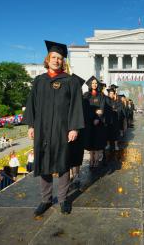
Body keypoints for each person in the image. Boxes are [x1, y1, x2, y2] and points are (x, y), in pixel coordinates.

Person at [23, 40, 84, 216]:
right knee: (44, 163)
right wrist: (31, 125)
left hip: (62, 129)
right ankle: (46, 199)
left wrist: (74, 128)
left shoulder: (70, 81)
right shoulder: (39, 80)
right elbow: (32, 104)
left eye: (59, 58)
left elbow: (76, 106)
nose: (56, 60)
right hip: (42, 128)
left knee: (63, 163)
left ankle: (63, 199)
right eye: (54, 57)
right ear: (48, 59)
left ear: (63, 61)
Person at [83, 76, 107, 168]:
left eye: (96, 83)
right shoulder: (86, 95)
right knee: (90, 142)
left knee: (97, 143)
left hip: (98, 122)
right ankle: (91, 159)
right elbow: (85, 108)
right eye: (92, 83)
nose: (94, 84)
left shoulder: (101, 95)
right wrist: (94, 111)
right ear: (90, 84)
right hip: (88, 122)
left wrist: (98, 117)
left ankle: (96, 160)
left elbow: (102, 108)